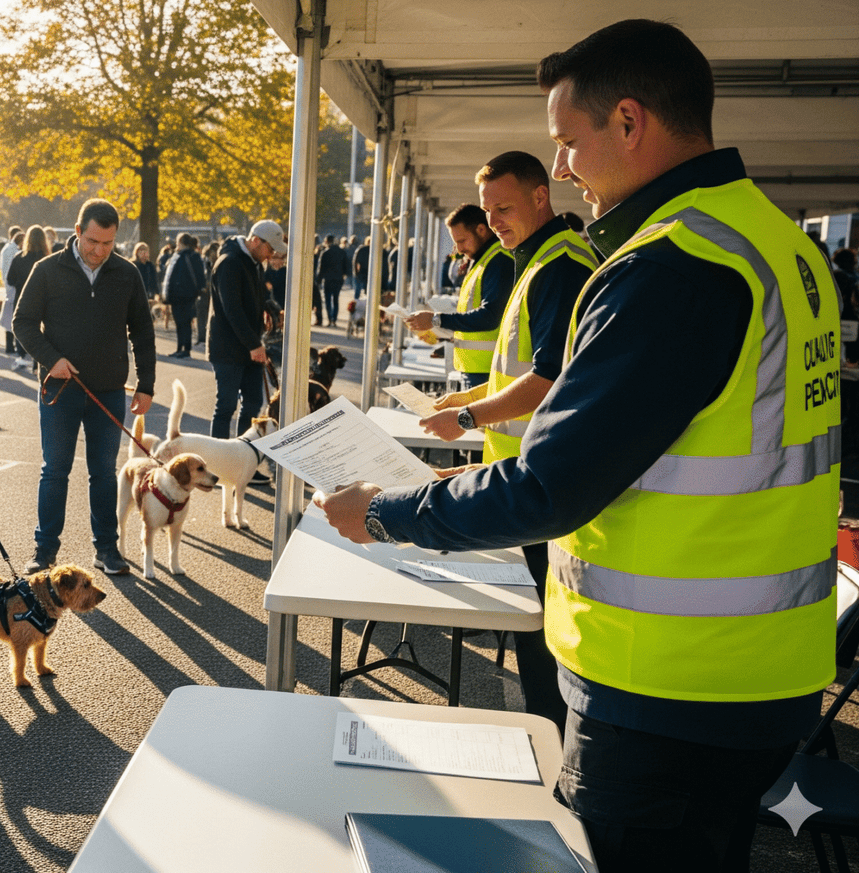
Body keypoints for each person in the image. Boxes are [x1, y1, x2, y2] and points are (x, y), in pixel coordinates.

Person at [315, 20, 841, 872]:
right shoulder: (776, 242)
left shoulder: (672, 265)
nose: (562, 169)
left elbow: (548, 485)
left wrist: (384, 512)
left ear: (629, 122)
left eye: (567, 142)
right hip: (758, 671)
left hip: (666, 684)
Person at [408, 150, 596, 733]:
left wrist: (468, 417)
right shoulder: (536, 261)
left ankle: (552, 748)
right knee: (533, 628)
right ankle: (548, 740)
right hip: (524, 472)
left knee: (541, 635)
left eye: (504, 208)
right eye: (487, 212)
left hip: (540, 478)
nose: (494, 223)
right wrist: (466, 400)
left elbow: (549, 377)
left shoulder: (558, 265)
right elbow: (519, 368)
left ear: (542, 196)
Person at [13, 198, 156, 576]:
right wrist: (52, 359)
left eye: (108, 243)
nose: (99, 251)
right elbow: (22, 322)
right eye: (92, 241)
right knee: (54, 471)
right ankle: (45, 551)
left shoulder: (127, 273)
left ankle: (106, 549)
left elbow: (143, 332)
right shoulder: (47, 270)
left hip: (108, 390)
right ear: (77, 232)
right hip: (59, 390)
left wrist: (146, 384)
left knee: (104, 473)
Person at [405, 204, 512, 388]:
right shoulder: (484, 261)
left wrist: (436, 320)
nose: (459, 249)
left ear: (481, 230)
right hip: (478, 368)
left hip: (488, 371)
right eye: (456, 243)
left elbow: (490, 316)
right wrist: (440, 330)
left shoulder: (498, 262)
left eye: (462, 241)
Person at [209, 220, 285, 441]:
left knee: (253, 403)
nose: (271, 255)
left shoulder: (255, 263)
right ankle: (220, 457)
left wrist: (272, 309)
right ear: (255, 241)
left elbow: (259, 295)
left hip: (251, 345)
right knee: (226, 406)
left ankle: (243, 454)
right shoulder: (229, 262)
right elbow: (232, 309)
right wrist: (254, 344)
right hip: (228, 347)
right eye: (270, 249)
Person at [5, 223, 50, 370]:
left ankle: (22, 356)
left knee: (22, 327)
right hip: (43, 299)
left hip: (22, 297)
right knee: (41, 330)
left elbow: (10, 279)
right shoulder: (47, 259)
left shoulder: (19, 257)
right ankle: (38, 362)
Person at [161, 232, 204, 358]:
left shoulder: (181, 256)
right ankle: (183, 348)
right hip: (186, 295)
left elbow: (172, 277)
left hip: (180, 295)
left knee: (182, 323)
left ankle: (183, 348)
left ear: (180, 243)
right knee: (183, 323)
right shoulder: (192, 256)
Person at [315, 234, 349, 327]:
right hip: (338, 279)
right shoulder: (341, 252)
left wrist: (318, 280)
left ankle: (330, 319)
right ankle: (334, 319)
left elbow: (320, 268)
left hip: (328, 279)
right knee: (336, 299)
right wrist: (344, 275)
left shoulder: (325, 253)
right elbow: (346, 265)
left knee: (328, 300)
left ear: (327, 242)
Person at [0, 228, 24, 354]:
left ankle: (10, 345)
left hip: (10, 287)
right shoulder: (12, 251)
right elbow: (10, 270)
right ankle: (10, 345)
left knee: (10, 316)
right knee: (12, 317)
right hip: (13, 287)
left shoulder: (7, 249)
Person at [131, 241, 157, 309]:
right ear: (137, 252)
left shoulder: (150, 265)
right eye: (141, 250)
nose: (143, 252)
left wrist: (156, 292)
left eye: (145, 250)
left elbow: (154, 280)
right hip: (136, 294)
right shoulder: (133, 265)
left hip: (149, 294)